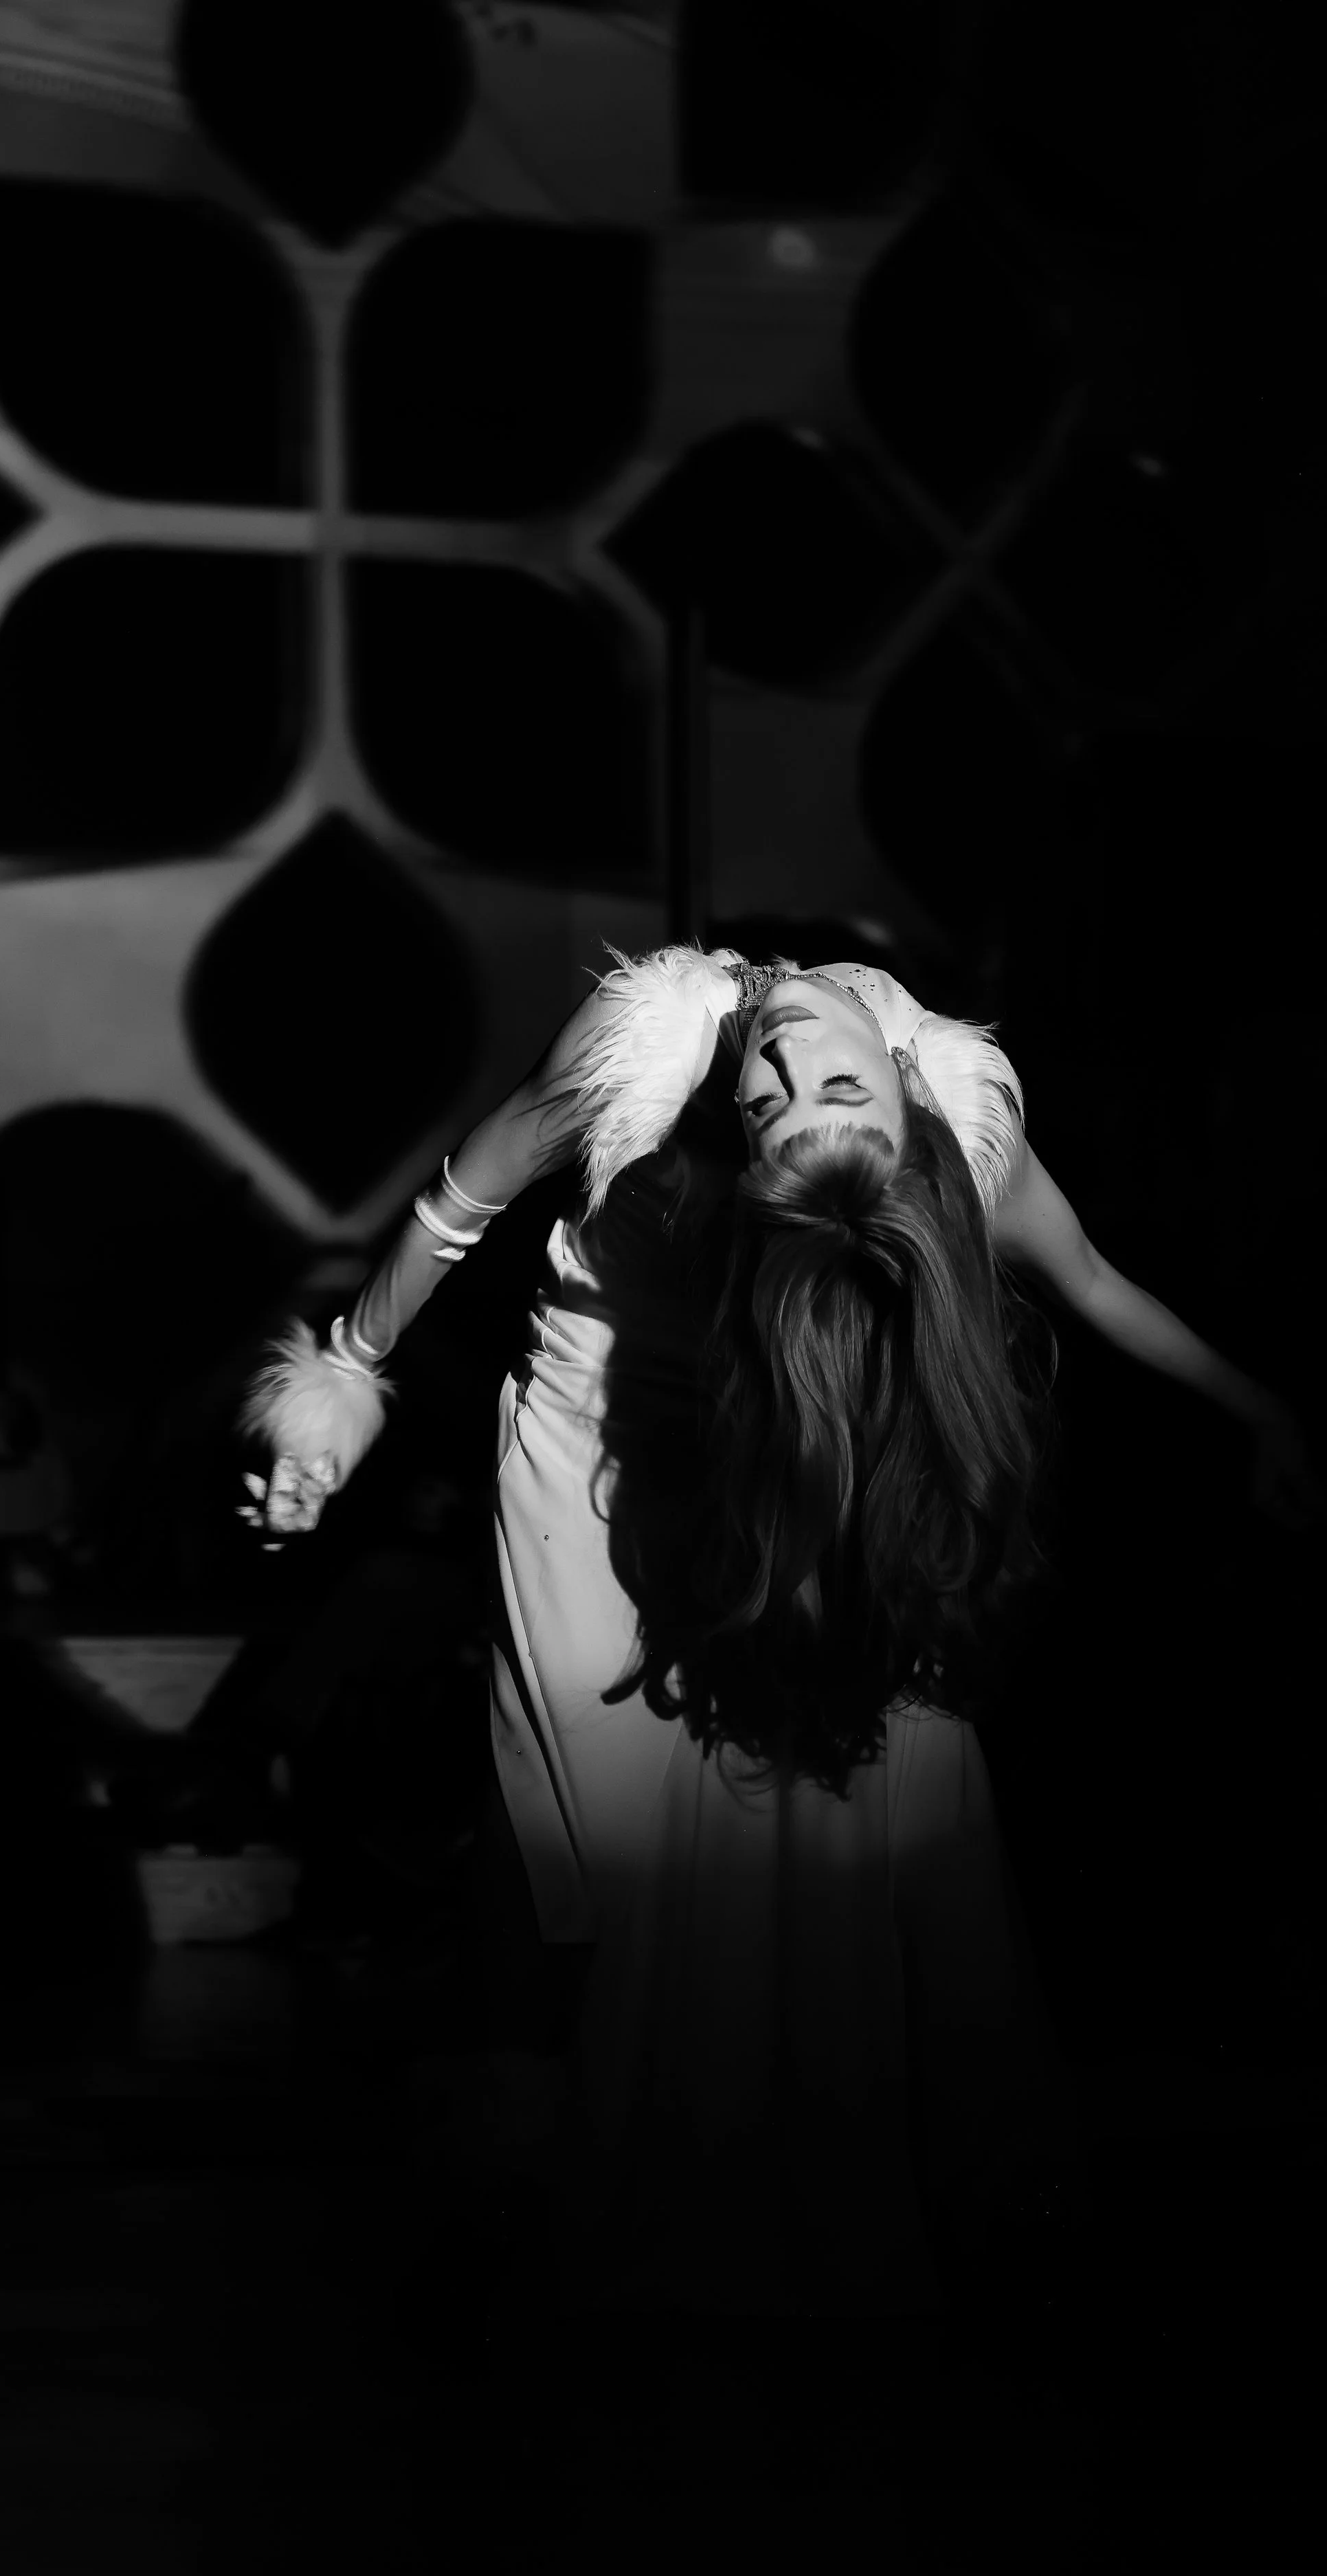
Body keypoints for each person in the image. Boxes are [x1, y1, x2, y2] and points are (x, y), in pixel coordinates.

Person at [238, 944, 1322, 2327]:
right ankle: (544, 2174)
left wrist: (1256, 1411)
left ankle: (800, 2153)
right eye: (791, 1087)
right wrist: (345, 1365)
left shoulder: (945, 1145)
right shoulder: (643, 1049)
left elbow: (1091, 1286)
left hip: (792, 1417)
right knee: (574, 1833)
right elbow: (464, 1197)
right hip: (596, 1432)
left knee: (847, 1762)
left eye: (787, 1100)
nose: (773, 1057)